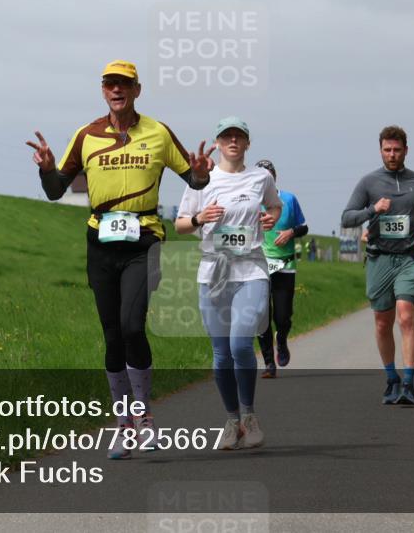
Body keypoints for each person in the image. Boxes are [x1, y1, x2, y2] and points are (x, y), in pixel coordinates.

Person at [27, 59, 214, 459]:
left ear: (137, 90)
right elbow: (55, 190)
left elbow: (195, 179)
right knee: (112, 335)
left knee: (132, 325)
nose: (117, 90)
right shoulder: (86, 135)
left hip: (144, 241)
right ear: (103, 90)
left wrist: (201, 174)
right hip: (100, 245)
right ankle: (124, 425)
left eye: (124, 84)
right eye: (110, 84)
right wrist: (46, 170)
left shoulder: (158, 132)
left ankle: (145, 417)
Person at [176, 117, 281, 450]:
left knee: (239, 345)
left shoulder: (261, 177)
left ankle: (250, 415)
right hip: (213, 273)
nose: (233, 141)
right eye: (227, 136)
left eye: (239, 136)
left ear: (247, 143)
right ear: (218, 142)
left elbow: (274, 205)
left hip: (251, 269)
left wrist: (272, 216)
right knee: (221, 354)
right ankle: (232, 419)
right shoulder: (201, 181)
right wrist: (198, 219)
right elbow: (180, 224)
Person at [341, 125, 414, 405]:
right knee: (382, 322)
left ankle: (409, 383)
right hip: (378, 259)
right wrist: (373, 209)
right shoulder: (369, 182)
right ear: (381, 150)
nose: (392, 154)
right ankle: (391, 379)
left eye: (397, 149)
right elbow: (347, 218)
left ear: (406, 150)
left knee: (406, 316)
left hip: (409, 257)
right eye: (387, 150)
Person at [253, 159, 310, 379]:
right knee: (261, 314)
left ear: (274, 177)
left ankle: (282, 339)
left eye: (269, 175)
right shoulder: (250, 201)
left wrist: (290, 233)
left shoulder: (288, 199)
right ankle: (269, 363)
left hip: (285, 264)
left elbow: (304, 226)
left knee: (283, 316)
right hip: (258, 264)